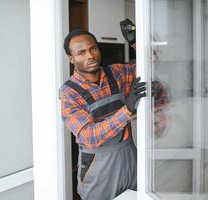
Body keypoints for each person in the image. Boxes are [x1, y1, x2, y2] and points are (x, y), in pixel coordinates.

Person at [59, 19, 146, 200]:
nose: (90, 56)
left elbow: (151, 65)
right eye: (81, 53)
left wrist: (137, 41)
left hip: (129, 158)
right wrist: (127, 110)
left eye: (93, 49)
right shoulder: (69, 92)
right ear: (71, 58)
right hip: (98, 168)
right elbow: (89, 136)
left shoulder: (117, 73)